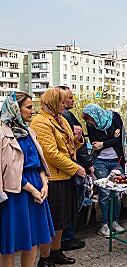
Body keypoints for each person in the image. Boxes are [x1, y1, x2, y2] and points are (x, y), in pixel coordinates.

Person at [31, 87, 85, 266]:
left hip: (64, 177)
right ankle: (44, 258)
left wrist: (77, 139)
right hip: (52, 179)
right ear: (53, 102)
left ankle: (56, 252)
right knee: (51, 221)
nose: (65, 105)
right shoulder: (40, 121)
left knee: (61, 220)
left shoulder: (60, 120)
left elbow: (68, 149)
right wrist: (75, 168)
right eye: (62, 102)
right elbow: (50, 154)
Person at [0, 92, 55, 267]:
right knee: (9, 245)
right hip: (16, 192)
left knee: (32, 240)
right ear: (16, 108)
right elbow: (7, 171)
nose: (33, 111)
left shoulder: (28, 131)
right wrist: (32, 189)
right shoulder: (3, 134)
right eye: (29, 107)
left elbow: (38, 163)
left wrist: (45, 183)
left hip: (37, 189)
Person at [82, 104, 125, 238]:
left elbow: (121, 138)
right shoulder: (91, 125)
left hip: (116, 160)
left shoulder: (115, 117)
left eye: (89, 120)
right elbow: (95, 143)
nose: (89, 123)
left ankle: (115, 221)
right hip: (100, 160)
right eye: (87, 121)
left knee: (117, 191)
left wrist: (104, 143)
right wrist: (113, 137)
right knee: (104, 192)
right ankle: (103, 224)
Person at [58, 86, 93, 251]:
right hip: (73, 168)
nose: (73, 100)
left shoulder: (65, 116)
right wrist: (87, 164)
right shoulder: (65, 116)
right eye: (70, 97)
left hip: (73, 167)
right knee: (73, 205)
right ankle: (67, 238)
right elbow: (72, 147)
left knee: (74, 204)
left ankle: (66, 238)